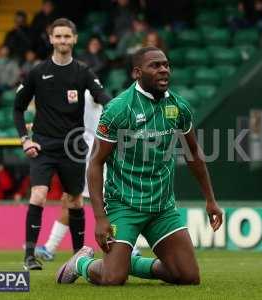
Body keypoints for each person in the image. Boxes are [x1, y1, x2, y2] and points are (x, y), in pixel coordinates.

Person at [56, 46, 223, 285]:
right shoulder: (118, 109)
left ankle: (128, 262)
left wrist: (210, 200)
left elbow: (194, 154)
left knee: (187, 276)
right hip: (123, 204)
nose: (164, 70)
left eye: (166, 64)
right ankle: (81, 262)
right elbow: (95, 163)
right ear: (137, 72)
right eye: (155, 65)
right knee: (113, 279)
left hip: (162, 207)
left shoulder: (179, 107)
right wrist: (100, 217)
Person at [13, 18, 111, 271]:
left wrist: (116, 107)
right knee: (39, 194)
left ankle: (78, 256)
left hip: (73, 147)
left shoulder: (83, 72)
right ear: (51, 39)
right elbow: (17, 107)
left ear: (75, 39)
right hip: (43, 146)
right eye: (58, 36)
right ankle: (29, 256)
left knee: (75, 201)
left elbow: (102, 97)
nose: (63, 41)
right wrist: (25, 139)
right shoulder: (37, 72)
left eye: (67, 36)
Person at [35, 91, 141, 261]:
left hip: (92, 152)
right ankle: (50, 247)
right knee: (70, 200)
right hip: (81, 153)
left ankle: (131, 247)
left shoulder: (87, 91)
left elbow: (109, 102)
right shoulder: (68, 94)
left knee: (107, 202)